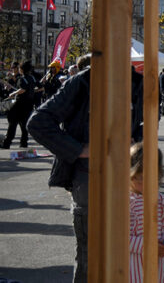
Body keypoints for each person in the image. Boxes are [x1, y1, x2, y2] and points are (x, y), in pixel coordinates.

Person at [26, 58, 91, 282]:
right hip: (87, 180)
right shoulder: (80, 84)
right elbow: (38, 122)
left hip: (119, 181)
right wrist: (80, 150)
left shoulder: (130, 84)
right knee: (88, 255)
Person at [128, 142, 164, 283]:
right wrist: (148, 245)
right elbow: (120, 237)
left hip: (157, 265)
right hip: (133, 266)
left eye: (152, 178)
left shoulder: (157, 199)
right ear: (130, 175)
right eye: (140, 178)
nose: (145, 183)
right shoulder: (127, 202)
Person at [2, 61, 36, 149]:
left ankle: (7, 143)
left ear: (22, 69)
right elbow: (38, 87)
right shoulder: (32, 78)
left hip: (20, 104)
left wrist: (13, 94)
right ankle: (24, 143)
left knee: (12, 123)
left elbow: (22, 89)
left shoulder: (22, 78)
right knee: (24, 124)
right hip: (29, 104)